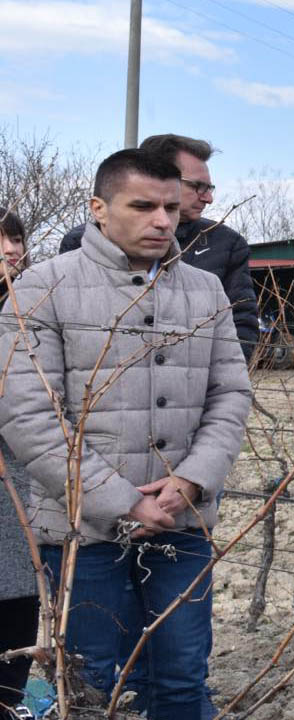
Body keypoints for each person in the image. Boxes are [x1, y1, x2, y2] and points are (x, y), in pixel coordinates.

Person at [0, 150, 252, 720]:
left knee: (183, 680)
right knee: (90, 687)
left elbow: (231, 394)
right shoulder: (42, 289)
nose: (162, 220)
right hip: (81, 532)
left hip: (181, 521)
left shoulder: (207, 291)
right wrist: (122, 500)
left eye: (169, 206)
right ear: (98, 208)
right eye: (142, 206)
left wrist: (193, 478)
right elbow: (29, 416)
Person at [59, 134, 259, 361]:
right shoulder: (81, 243)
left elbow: (241, 326)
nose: (209, 198)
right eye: (198, 187)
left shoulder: (226, 244)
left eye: (209, 187)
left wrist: (211, 384)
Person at [0, 207, 36, 720]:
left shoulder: (32, 304)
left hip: (24, 472)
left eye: (16, 239)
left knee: (18, 589)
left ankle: (9, 701)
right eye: (0, 241)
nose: (11, 249)